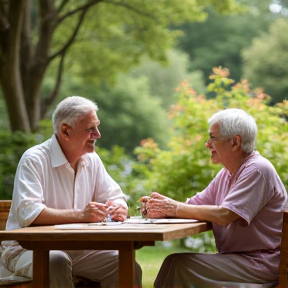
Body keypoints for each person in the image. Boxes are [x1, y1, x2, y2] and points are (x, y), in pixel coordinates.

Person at [0, 96, 142, 288]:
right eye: (90, 129)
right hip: (25, 250)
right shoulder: (33, 160)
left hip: (77, 250)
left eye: (97, 127)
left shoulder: (92, 160)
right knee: (56, 261)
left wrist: (119, 207)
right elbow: (30, 215)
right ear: (66, 130)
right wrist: (82, 216)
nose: (98, 134)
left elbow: (114, 195)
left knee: (125, 265)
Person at [141, 108, 287, 288]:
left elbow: (225, 215)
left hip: (261, 264)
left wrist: (173, 207)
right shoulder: (227, 173)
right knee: (172, 262)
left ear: (235, 142)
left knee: (180, 265)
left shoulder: (257, 170)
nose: (207, 144)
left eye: (213, 138)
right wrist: (161, 210)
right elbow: (195, 206)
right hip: (240, 260)